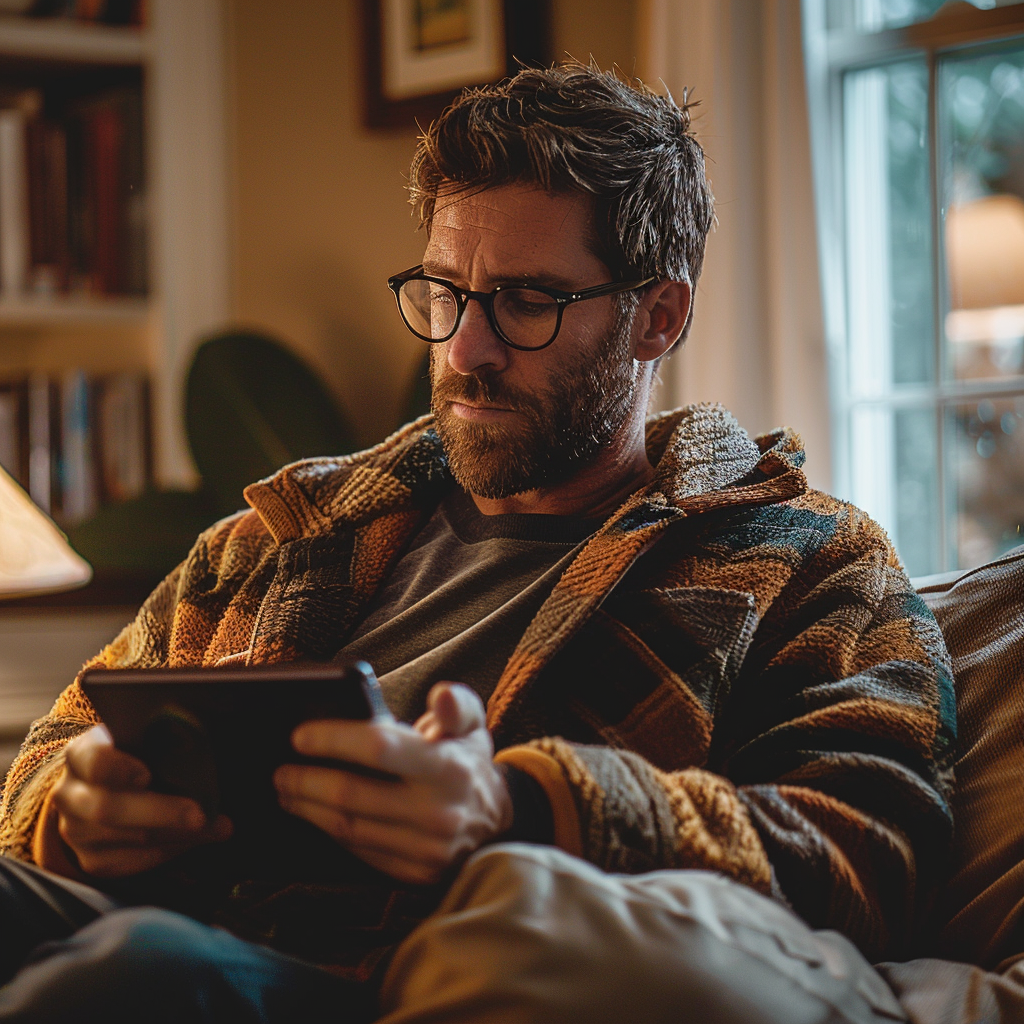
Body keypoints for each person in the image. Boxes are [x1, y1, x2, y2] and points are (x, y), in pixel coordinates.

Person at [0, 63, 955, 1022]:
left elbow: (870, 852)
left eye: (527, 301)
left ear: (657, 317)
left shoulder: (805, 560)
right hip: (171, 917)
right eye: (444, 291)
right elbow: (39, 772)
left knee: (138, 970)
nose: (465, 350)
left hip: (393, 979)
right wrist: (71, 811)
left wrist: (518, 808)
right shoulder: (278, 536)